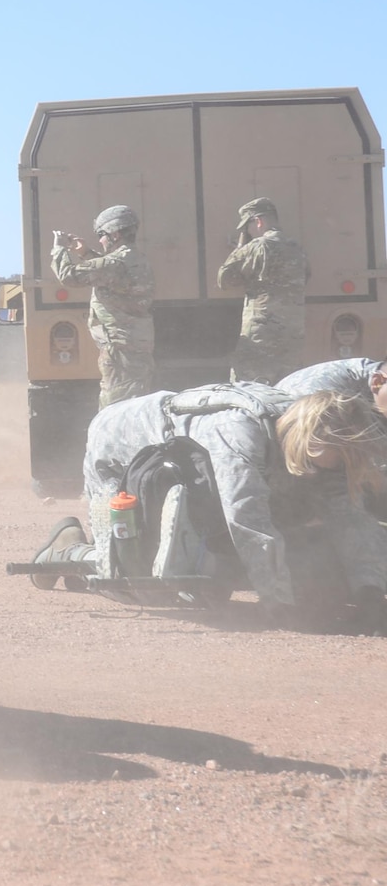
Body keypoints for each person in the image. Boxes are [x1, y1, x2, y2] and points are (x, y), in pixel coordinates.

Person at [27, 384, 387, 631]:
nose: (344, 463)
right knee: (143, 577)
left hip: (183, 462)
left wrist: (370, 590)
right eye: (340, 454)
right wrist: (280, 603)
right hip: (121, 448)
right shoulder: (239, 431)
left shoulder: (315, 437)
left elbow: (351, 515)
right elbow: (246, 516)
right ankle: (67, 547)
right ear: (312, 439)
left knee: (210, 577)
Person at [50, 205, 156, 408]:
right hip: (136, 345)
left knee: (116, 409)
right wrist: (86, 253)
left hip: (119, 351)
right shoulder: (137, 260)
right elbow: (109, 274)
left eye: (102, 235)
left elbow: (68, 276)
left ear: (115, 234)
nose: (100, 240)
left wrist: (59, 248)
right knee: (136, 405)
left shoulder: (115, 263)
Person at [219, 197, 310, 384]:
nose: (249, 231)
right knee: (288, 385)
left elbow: (224, 279)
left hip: (263, 332)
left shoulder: (258, 246)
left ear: (258, 221)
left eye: (248, 226)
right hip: (293, 332)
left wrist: (240, 246)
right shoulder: (297, 249)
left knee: (248, 386)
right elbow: (306, 276)